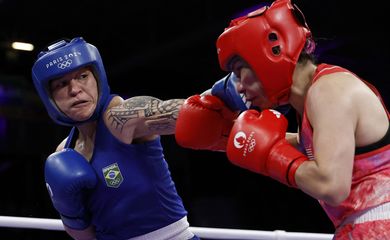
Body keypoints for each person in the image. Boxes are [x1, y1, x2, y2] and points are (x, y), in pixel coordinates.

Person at [175, 0, 390, 239]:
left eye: (238, 71)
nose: (239, 88)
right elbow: (307, 145)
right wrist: (228, 138)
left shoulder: (330, 90)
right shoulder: (316, 97)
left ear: (269, 54)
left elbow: (331, 185)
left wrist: (272, 154)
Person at [31, 37, 200, 240]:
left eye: (83, 76)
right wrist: (70, 212)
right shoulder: (64, 152)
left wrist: (215, 105)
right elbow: (84, 237)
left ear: (97, 78)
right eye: (62, 83)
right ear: (50, 97)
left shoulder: (121, 117)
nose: (75, 89)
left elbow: (178, 113)